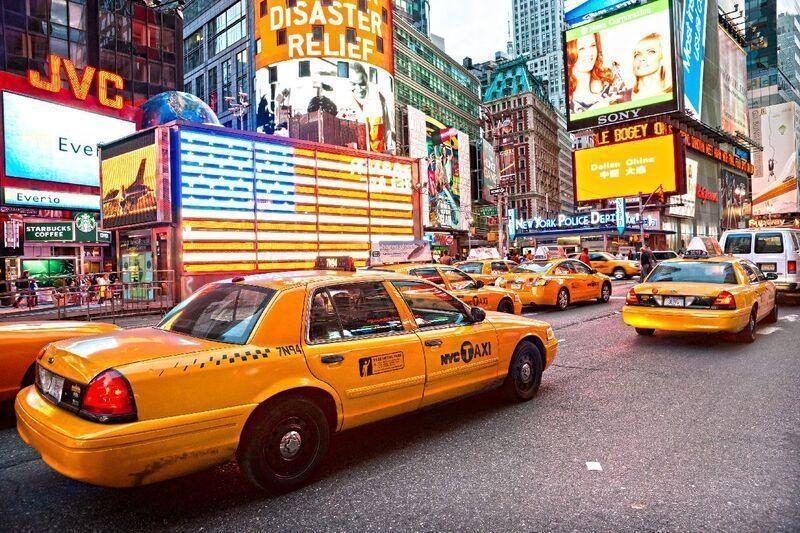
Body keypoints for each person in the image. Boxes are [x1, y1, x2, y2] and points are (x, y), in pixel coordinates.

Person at [566, 33, 629, 114]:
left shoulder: (613, 82)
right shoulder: (568, 103)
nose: (589, 53)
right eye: (581, 48)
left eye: (593, 45)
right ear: (569, 52)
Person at [631, 33, 673, 101]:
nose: (642, 58)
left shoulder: (673, 96)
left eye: (651, 52)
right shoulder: (620, 99)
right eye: (637, 54)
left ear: (663, 58)